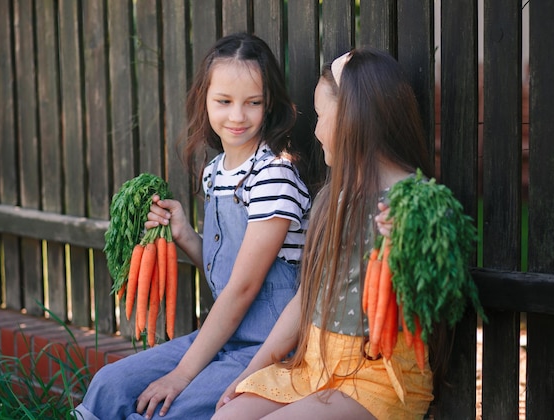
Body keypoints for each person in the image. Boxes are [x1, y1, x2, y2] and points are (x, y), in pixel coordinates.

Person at [74, 32, 311, 420]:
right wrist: (185, 235)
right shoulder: (214, 174)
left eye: (253, 103)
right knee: (108, 384)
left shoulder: (274, 176)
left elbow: (245, 288)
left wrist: (182, 374)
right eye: (224, 101)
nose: (237, 116)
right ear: (205, 98)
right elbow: (226, 272)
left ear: (269, 106)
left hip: (268, 349)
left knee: (168, 410)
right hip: (223, 339)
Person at [212, 47, 440, 420]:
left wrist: (407, 244)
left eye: (321, 116)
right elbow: (305, 299)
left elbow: (436, 294)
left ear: (353, 119)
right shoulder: (332, 197)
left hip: (377, 378)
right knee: (226, 417)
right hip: (315, 367)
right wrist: (251, 371)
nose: (315, 130)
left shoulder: (415, 200)